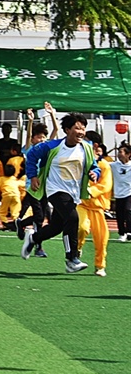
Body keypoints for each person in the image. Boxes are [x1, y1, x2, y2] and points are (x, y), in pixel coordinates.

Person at [21, 114, 100, 272]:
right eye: (77, 128)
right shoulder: (52, 146)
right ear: (67, 130)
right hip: (55, 189)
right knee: (72, 218)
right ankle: (71, 259)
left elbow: (94, 166)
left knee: (56, 227)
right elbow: (31, 155)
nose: (81, 131)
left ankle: (33, 238)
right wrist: (33, 176)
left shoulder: (86, 147)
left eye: (83, 128)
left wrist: (94, 174)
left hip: (73, 192)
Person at [76, 139, 111, 276]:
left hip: (97, 207)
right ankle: (76, 249)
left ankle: (100, 266)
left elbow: (106, 186)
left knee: (102, 238)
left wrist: (91, 191)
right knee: (81, 227)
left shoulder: (104, 165)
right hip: (82, 204)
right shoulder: (80, 163)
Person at [0, 163, 27, 229]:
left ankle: (5, 224)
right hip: (16, 196)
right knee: (15, 212)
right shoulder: (15, 179)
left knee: (2, 212)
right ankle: (17, 224)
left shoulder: (1, 179)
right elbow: (23, 184)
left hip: (7, 196)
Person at [112, 144, 131, 243]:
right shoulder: (115, 165)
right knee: (119, 214)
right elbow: (102, 164)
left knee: (128, 211)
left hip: (129, 193)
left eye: (121, 152)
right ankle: (122, 233)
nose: (119, 154)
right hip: (118, 194)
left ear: (128, 154)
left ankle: (129, 231)